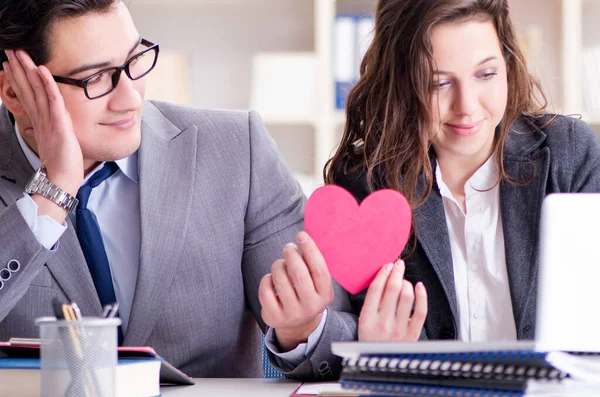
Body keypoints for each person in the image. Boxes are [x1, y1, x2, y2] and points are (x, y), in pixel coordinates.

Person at [0, 0, 356, 379]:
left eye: (135, 60)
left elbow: (342, 338)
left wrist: (302, 331)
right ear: (16, 94)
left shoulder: (237, 151)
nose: (131, 98)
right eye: (96, 78)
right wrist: (51, 192)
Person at [325, 0, 600, 343]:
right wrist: (374, 347)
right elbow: (346, 329)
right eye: (438, 84)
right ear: (403, 84)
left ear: (508, 63)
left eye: (485, 74)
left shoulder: (568, 154)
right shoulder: (367, 185)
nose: (467, 106)